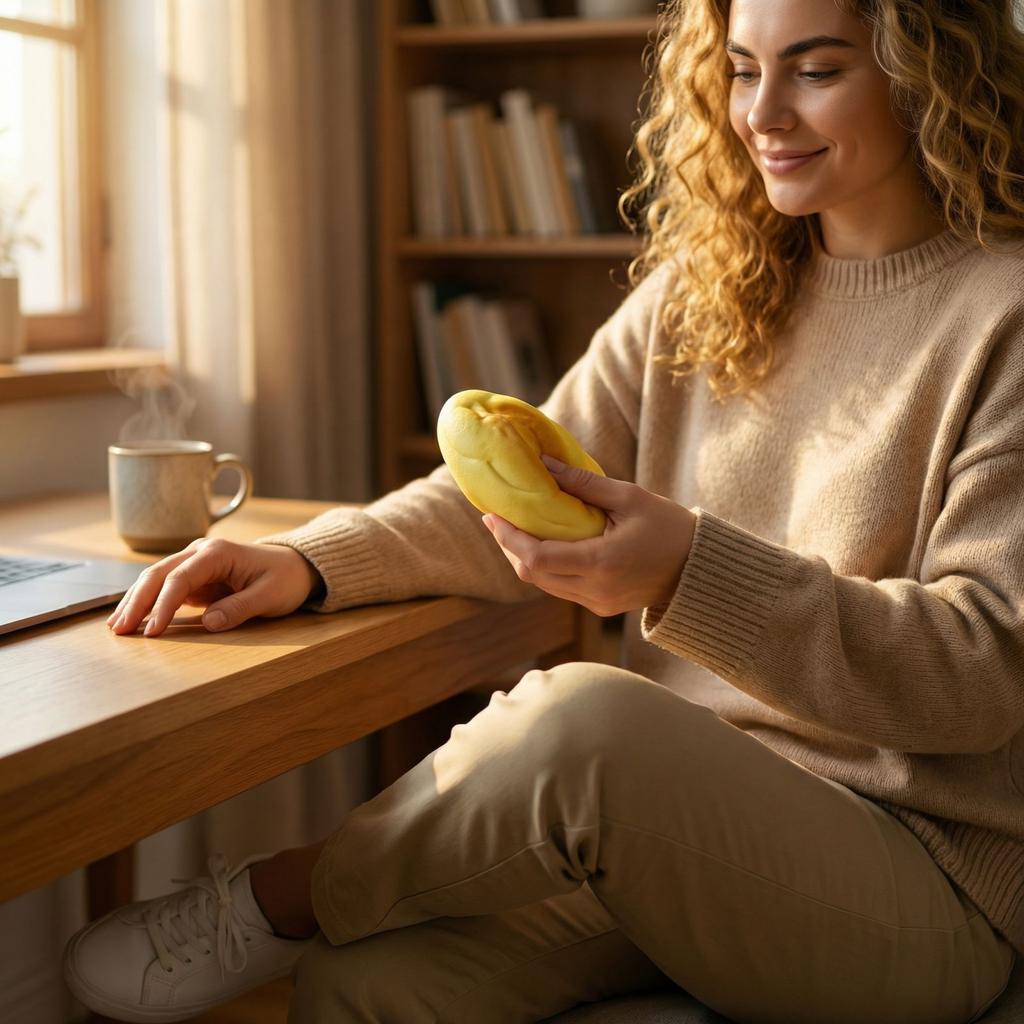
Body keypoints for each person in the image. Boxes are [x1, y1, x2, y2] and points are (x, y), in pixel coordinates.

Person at [63, 0, 1024, 1020]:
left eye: (816, 71)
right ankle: (306, 922)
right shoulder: (704, 294)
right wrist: (310, 562)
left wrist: (685, 569)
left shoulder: (1002, 314)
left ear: (928, 76)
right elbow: (519, 489)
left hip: (923, 883)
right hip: (680, 827)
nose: (762, 113)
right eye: (743, 70)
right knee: (362, 984)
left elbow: (982, 671)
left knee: (587, 721)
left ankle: (282, 895)